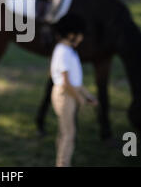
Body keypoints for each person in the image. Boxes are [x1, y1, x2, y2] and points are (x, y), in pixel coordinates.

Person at [50, 13, 97, 167]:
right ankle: (63, 163)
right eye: (80, 35)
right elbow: (66, 83)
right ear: (71, 34)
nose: (81, 38)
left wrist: (87, 95)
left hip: (71, 93)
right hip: (65, 96)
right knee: (69, 134)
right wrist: (80, 99)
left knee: (65, 131)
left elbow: (76, 82)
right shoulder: (63, 51)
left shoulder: (69, 51)